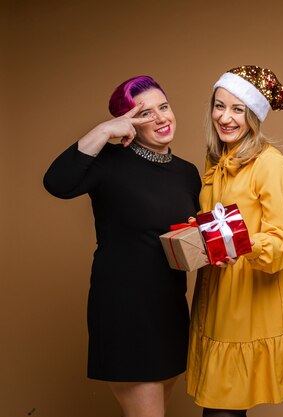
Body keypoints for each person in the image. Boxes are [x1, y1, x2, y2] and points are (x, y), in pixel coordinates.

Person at [43, 75, 201, 417]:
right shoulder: (109, 161)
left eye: (164, 107)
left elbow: (189, 238)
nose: (160, 118)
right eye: (144, 114)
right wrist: (104, 131)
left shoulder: (187, 173)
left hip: (170, 311)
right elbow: (56, 183)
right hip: (124, 311)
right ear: (127, 122)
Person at [186, 66, 283, 417]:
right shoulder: (218, 160)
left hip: (246, 304)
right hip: (215, 297)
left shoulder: (272, 166)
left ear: (254, 115)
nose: (225, 117)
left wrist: (238, 242)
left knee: (223, 409)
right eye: (219, 106)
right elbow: (215, 220)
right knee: (220, 406)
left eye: (238, 109)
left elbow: (280, 242)